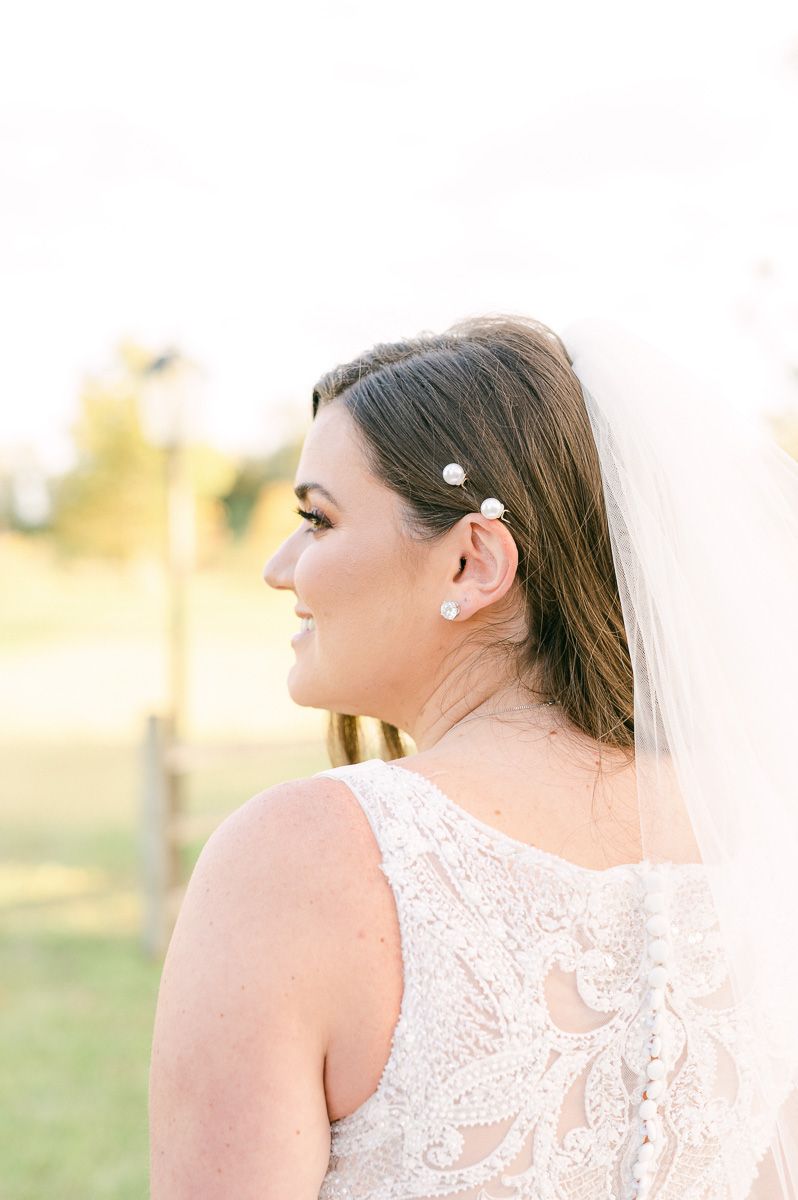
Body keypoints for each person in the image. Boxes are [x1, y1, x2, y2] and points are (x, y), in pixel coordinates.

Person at [148, 315, 798, 1199]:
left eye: (317, 519)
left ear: (471, 564)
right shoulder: (757, 836)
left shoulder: (301, 858)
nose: (278, 566)